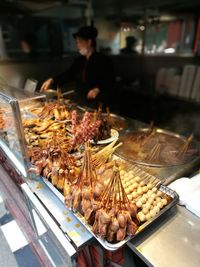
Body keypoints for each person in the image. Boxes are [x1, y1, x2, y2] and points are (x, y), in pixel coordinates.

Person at [40, 26, 115, 107]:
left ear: (89, 42)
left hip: (97, 104)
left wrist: (98, 89)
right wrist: (52, 80)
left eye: (79, 42)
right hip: (82, 102)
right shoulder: (79, 61)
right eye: (77, 42)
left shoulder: (103, 60)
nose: (77, 45)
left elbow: (110, 80)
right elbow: (68, 74)